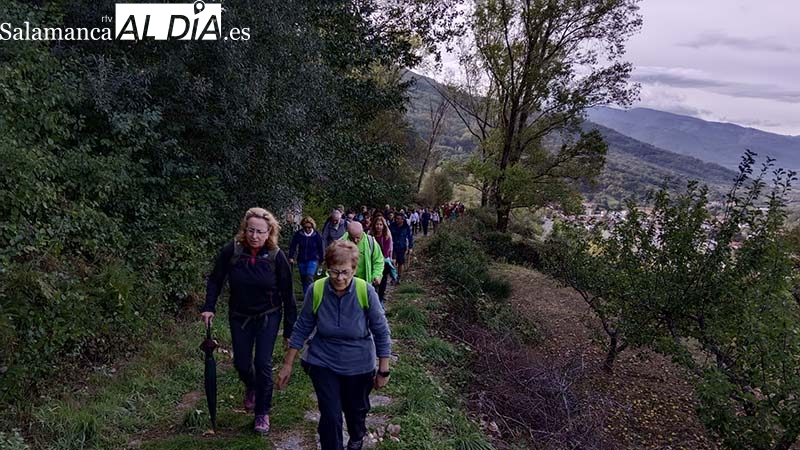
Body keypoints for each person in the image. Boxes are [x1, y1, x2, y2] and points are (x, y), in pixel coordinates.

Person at [277, 241, 391, 450]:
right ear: (327, 268)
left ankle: (357, 437)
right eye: (334, 272)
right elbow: (302, 326)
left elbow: (381, 331)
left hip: (359, 364)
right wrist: (288, 364)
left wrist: (383, 369)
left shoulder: (365, 291)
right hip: (324, 361)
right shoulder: (317, 290)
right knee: (330, 416)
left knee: (356, 412)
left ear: (354, 269)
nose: (340, 278)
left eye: (345, 272)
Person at [201, 207, 296, 435]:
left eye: (260, 232)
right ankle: (251, 386)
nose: (255, 236)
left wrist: (290, 330)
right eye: (251, 230)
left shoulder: (276, 256)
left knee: (263, 363)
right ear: (245, 230)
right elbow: (216, 279)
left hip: (268, 315)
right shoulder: (232, 251)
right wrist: (209, 307)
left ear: (269, 232)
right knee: (242, 363)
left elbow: (288, 293)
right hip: (239, 315)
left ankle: (262, 412)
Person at [288, 216, 325, 294]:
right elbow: (293, 245)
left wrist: (322, 259)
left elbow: (320, 248)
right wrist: (291, 256)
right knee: (304, 279)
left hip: (312, 259)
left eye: (309, 227)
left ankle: (311, 295)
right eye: (305, 227)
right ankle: (306, 297)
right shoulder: (299, 234)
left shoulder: (316, 235)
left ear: (312, 226)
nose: (307, 229)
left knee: (309, 277)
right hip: (301, 259)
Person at [341, 221, 384, 289]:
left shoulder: (371, 242)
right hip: (345, 283)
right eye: (352, 238)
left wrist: (377, 275)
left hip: (365, 283)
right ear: (348, 233)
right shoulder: (340, 243)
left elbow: (378, 261)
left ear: (362, 232)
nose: (355, 240)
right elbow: (333, 264)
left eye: (358, 237)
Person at [369, 215, 393, 303]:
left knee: (382, 282)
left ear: (383, 226)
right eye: (377, 224)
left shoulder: (386, 237)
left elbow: (386, 252)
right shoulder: (370, 237)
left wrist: (378, 260)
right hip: (371, 263)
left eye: (380, 224)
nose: (378, 226)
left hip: (382, 263)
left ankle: (380, 299)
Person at [389, 213, 413, 283]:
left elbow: (410, 237)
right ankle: (393, 276)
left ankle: (399, 277)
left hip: (402, 247)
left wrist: (410, 247)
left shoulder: (406, 227)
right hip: (393, 247)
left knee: (400, 263)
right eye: (396, 218)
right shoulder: (392, 226)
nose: (397, 220)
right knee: (392, 262)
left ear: (402, 220)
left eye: (398, 219)